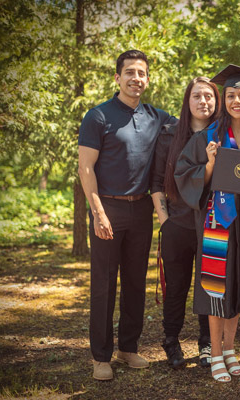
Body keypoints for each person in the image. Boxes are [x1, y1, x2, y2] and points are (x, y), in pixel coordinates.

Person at [78, 50, 176, 381]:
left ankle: (128, 348)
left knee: (135, 282)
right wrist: (98, 213)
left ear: (148, 80)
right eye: (130, 72)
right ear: (117, 77)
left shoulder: (157, 116)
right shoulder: (98, 116)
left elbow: (193, 125)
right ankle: (100, 356)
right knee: (104, 284)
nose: (136, 78)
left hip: (141, 210)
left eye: (142, 73)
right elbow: (85, 168)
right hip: (108, 207)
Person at [174, 64, 240, 383]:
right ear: (223, 99)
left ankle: (229, 348)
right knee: (216, 288)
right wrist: (211, 164)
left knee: (239, 282)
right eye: (230, 95)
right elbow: (184, 174)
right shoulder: (208, 136)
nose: (236, 101)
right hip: (219, 221)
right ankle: (215, 352)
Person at [150, 77, 220, 369]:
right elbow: (155, 182)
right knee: (176, 285)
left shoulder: (223, 134)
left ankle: (207, 343)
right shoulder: (169, 135)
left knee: (209, 285)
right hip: (177, 222)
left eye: (209, 96)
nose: (203, 101)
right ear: (187, 101)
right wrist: (165, 220)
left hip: (212, 223)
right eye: (197, 96)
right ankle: (171, 340)